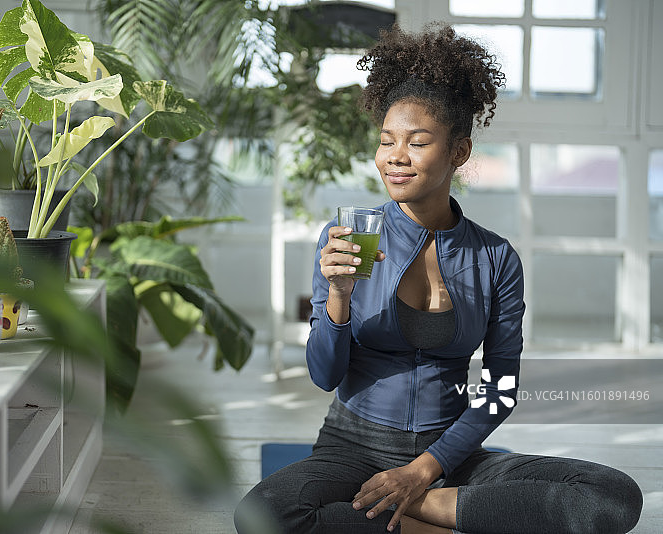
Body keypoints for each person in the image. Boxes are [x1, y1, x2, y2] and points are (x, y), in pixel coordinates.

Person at [235, 23, 643, 534]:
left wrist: (422, 474)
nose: (395, 157)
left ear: (459, 152)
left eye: (417, 142)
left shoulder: (496, 258)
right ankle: (463, 524)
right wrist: (338, 296)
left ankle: (422, 514)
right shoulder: (346, 240)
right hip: (351, 452)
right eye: (386, 142)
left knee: (613, 498)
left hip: (447, 457)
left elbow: (500, 388)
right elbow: (323, 376)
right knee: (264, 516)